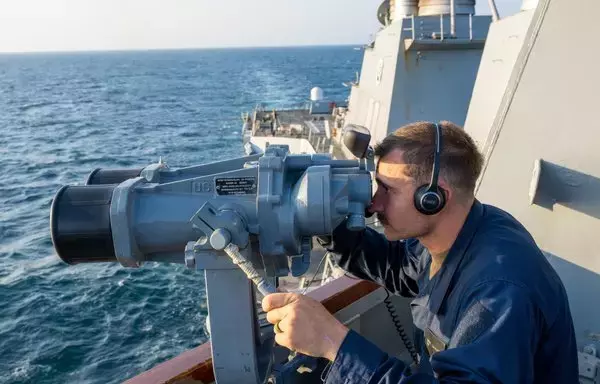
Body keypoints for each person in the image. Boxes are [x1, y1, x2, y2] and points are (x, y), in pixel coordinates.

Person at [262, 121, 579, 383]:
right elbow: (399, 267)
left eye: (388, 190)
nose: (374, 204)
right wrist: (328, 223)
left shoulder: (497, 293)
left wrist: (333, 342)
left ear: (434, 197)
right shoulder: (466, 228)